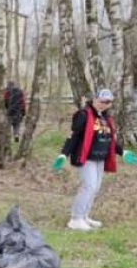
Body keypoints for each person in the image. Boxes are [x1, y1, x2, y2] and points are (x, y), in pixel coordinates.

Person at [53, 89, 136, 231]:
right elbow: (73, 136)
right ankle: (75, 219)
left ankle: (84, 216)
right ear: (95, 99)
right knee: (88, 186)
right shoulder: (83, 115)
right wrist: (63, 154)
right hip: (86, 158)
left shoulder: (105, 118)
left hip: (100, 158)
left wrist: (123, 152)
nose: (105, 104)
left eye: (108, 102)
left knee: (95, 188)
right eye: (102, 101)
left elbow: (109, 140)